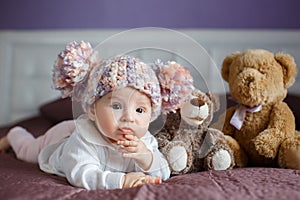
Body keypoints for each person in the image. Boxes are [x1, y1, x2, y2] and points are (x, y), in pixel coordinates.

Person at [0, 41, 194, 190]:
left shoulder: (145, 141)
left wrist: (146, 158)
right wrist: (122, 180)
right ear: (92, 109)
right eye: (116, 106)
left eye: (140, 110)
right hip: (60, 138)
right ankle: (14, 135)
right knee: (28, 151)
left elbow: (164, 172)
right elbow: (80, 173)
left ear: (151, 115)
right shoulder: (83, 139)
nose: (129, 117)